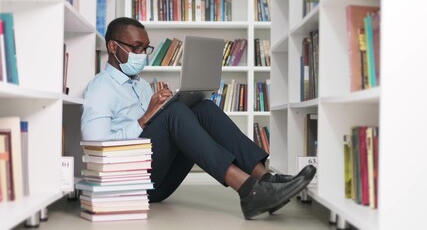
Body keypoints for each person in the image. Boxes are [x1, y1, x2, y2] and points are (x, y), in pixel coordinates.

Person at [81, 17, 316, 220]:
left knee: (202, 108)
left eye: (146, 49)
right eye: (136, 48)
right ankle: (248, 192)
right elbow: (95, 146)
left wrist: (166, 108)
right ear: (113, 46)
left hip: (158, 181)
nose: (142, 55)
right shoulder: (100, 89)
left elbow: (156, 132)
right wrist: (145, 119)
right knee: (174, 113)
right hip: (127, 184)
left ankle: (266, 180)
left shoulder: (141, 85)